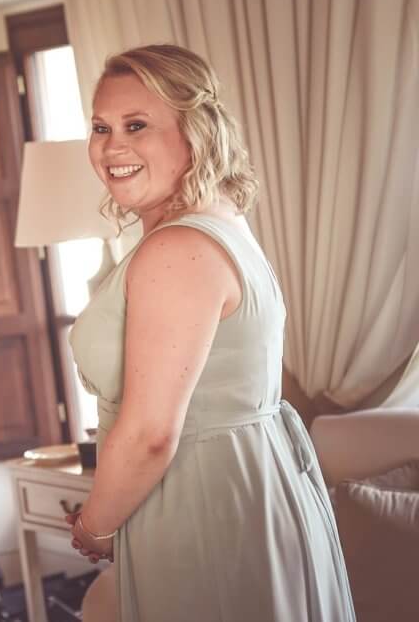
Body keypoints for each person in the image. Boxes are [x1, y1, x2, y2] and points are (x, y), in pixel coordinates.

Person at [66, 44, 355, 621]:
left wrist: (96, 526)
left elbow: (152, 432)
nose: (111, 146)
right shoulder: (217, 224)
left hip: (202, 500)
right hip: (242, 482)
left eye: (137, 125)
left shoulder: (177, 249)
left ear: (194, 132)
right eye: (102, 127)